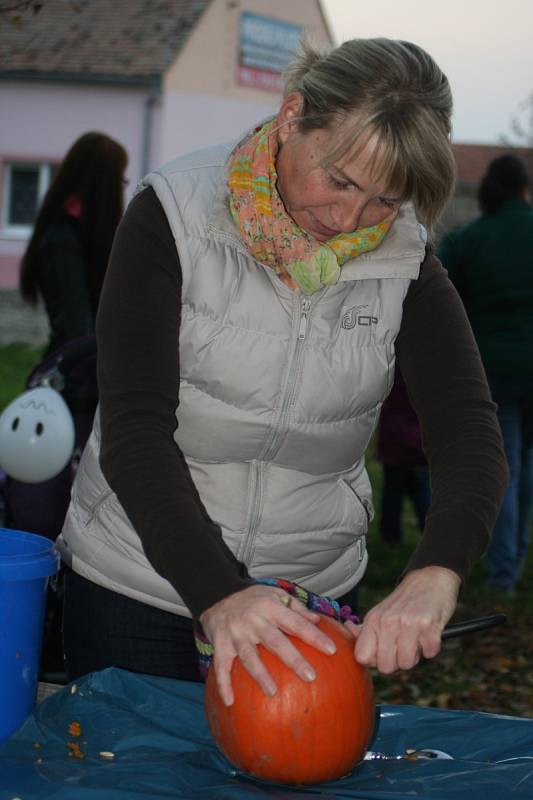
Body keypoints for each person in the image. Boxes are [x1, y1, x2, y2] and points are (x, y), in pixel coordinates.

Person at [57, 38, 507, 707]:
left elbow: (469, 435)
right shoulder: (174, 218)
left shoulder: (406, 262)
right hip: (140, 586)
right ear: (293, 116)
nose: (349, 221)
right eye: (341, 181)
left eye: (385, 201)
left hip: (310, 599)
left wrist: (434, 574)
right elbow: (135, 428)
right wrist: (220, 594)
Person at [438, 155, 533, 594]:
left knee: (506, 471)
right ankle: (515, 559)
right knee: (527, 468)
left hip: (491, 373)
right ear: (524, 190)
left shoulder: (467, 239)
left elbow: (435, 300)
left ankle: (503, 576)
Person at [20, 131, 128, 357]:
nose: (122, 190)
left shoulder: (82, 234)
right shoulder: (62, 239)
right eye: (121, 180)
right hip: (79, 380)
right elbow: (77, 331)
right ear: (103, 185)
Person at [376, 369, 431, 545]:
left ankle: (390, 538)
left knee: (393, 490)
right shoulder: (429, 368)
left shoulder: (391, 366)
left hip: (394, 436)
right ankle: (431, 535)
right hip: (417, 438)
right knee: (420, 490)